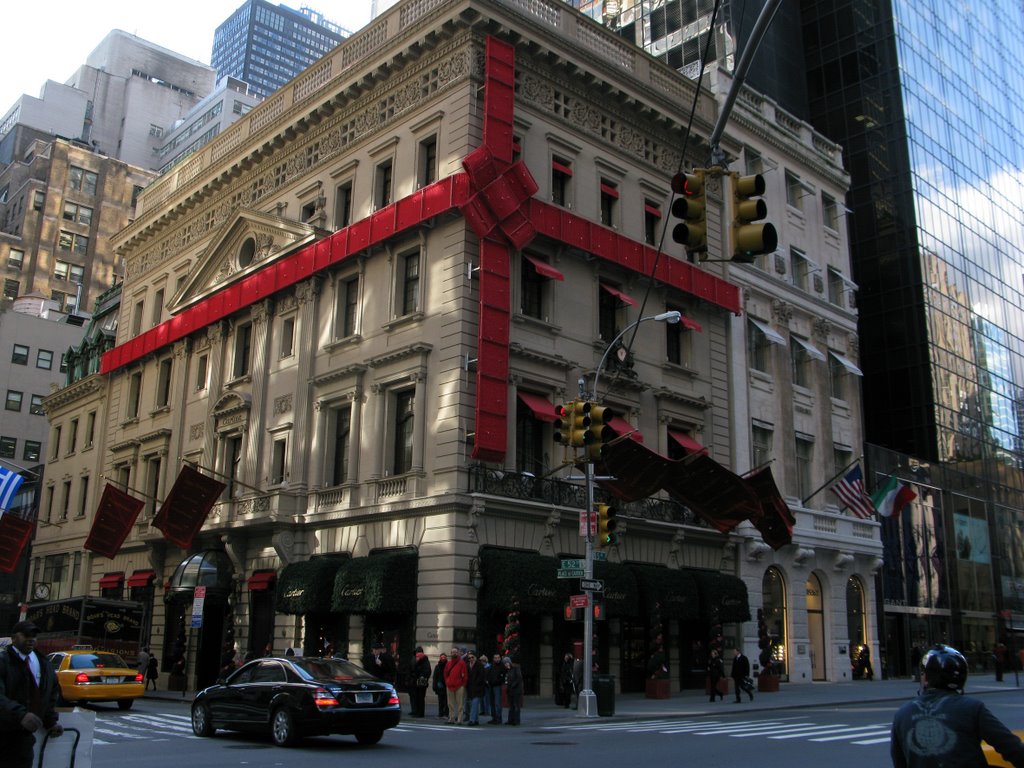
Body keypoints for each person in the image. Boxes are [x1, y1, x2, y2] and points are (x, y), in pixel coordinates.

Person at [891, 644, 1024, 768]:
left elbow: (899, 762)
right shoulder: (972, 708)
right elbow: (1013, 749)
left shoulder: (902, 714)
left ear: (926, 678)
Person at [0, 620, 64, 768]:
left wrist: (50, 721)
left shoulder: (44, 663)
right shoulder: (4, 661)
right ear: (14, 638)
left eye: (34, 635)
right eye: (26, 635)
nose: (31, 639)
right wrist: (20, 714)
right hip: (4, 733)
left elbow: (50, 694)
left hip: (24, 739)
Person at [443, 646, 468, 725]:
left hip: (459, 686)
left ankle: (460, 719)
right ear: (451, 653)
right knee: (450, 703)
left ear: (458, 653)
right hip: (450, 685)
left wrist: (463, 684)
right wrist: (447, 682)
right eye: (453, 652)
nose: (454, 653)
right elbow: (445, 674)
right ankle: (451, 718)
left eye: (456, 652)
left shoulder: (462, 663)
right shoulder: (448, 663)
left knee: (460, 704)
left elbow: (465, 675)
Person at [409, 646, 431, 718]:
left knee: (420, 698)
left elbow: (426, 671)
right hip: (416, 682)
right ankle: (416, 712)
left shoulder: (424, 661)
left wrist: (421, 675)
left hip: (421, 682)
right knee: (416, 697)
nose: (417, 656)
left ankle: (420, 713)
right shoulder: (417, 660)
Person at [465, 651, 486, 725]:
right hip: (470, 688)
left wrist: (477, 684)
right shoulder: (467, 665)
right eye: (469, 658)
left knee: (474, 704)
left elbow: (482, 677)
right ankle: (476, 720)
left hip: (478, 688)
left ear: (475, 657)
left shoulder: (479, 665)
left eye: (472, 657)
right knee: (473, 705)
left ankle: (472, 720)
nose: (471, 659)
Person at [503, 656, 523, 726]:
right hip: (510, 690)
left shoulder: (516, 668)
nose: (506, 664)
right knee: (511, 706)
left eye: (507, 662)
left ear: (509, 662)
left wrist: (513, 685)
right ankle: (510, 720)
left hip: (516, 690)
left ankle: (516, 720)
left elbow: (519, 678)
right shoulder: (508, 670)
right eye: (505, 663)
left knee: (516, 705)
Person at [486, 652, 505, 724]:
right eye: (495, 658)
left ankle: (498, 718)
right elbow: (488, 674)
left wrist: (498, 681)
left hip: (497, 686)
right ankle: (494, 718)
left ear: (500, 658)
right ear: (493, 659)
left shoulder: (502, 666)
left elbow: (503, 677)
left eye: (498, 658)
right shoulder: (491, 666)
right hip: (491, 686)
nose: (497, 659)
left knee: (497, 703)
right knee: (492, 703)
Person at [432, 652, 449, 719]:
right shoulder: (437, 666)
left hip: (446, 685)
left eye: (444, 657)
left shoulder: (448, 665)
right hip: (440, 686)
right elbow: (435, 677)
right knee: (440, 701)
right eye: (442, 657)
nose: (443, 658)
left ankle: (446, 714)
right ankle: (440, 713)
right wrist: (434, 685)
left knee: (446, 701)